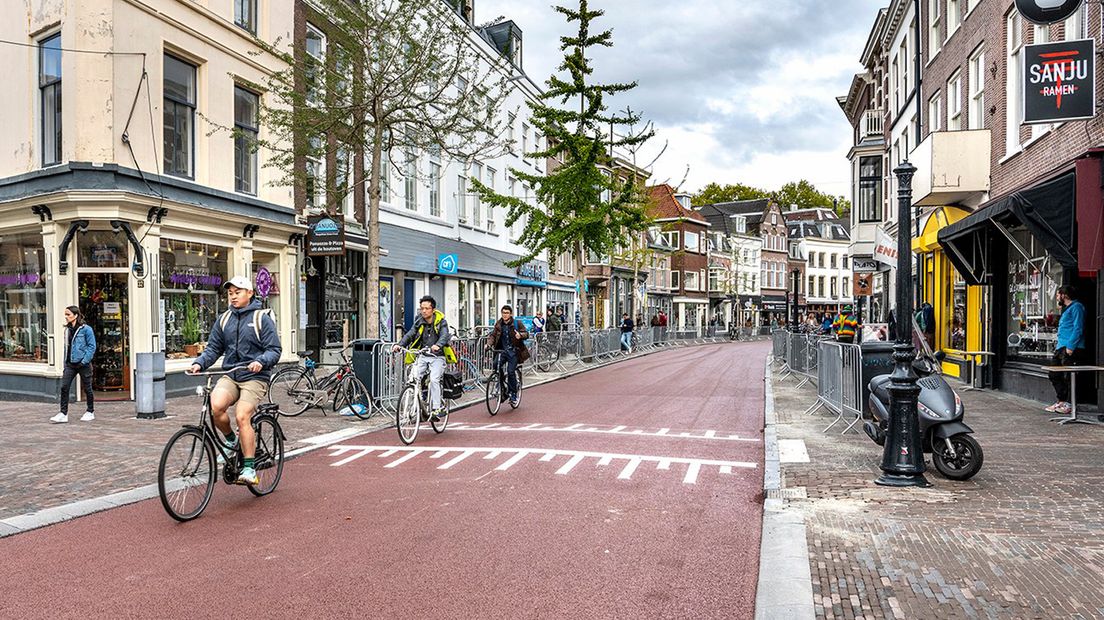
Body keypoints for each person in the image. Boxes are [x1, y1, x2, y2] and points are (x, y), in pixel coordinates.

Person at [189, 276, 282, 485]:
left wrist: (261, 361)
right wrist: (199, 363)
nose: (233, 296)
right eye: (230, 293)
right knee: (216, 406)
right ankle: (232, 441)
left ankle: (249, 468)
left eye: (237, 292)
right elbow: (213, 348)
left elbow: (274, 350)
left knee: (242, 416)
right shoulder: (223, 319)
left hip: (255, 377)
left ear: (250, 293)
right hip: (232, 374)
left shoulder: (261, 318)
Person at [392, 295, 456, 420]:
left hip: (437, 356)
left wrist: (438, 345)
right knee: (413, 378)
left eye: (427, 308)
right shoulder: (419, 320)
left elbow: (444, 335)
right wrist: (400, 345)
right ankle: (418, 403)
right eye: (422, 308)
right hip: (422, 355)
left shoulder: (441, 321)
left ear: (433, 309)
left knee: (434, 379)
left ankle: (437, 407)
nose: (424, 311)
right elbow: (410, 334)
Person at [51, 305, 97, 423]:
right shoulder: (67, 330)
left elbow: (92, 346)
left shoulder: (86, 329)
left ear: (75, 315)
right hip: (70, 364)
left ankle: (90, 411)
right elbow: (67, 348)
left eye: (68, 314)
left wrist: (84, 361)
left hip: (83, 364)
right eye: (65, 314)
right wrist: (65, 363)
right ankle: (63, 413)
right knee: (64, 387)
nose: (66, 317)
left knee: (87, 388)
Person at [1047, 285, 1086, 415]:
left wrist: (1070, 346)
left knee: (1070, 377)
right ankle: (1061, 400)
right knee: (1054, 374)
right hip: (1060, 347)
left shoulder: (1077, 307)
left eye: (1058, 294)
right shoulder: (1066, 309)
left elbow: (1078, 327)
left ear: (1064, 295)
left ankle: (1070, 403)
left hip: (1071, 347)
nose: (1057, 297)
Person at [486, 305, 529, 406]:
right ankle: (502, 387)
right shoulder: (499, 324)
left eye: (507, 313)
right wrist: (488, 344)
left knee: (510, 372)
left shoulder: (516, 323)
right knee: (496, 366)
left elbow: (526, 333)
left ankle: (513, 394)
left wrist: (520, 335)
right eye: (503, 313)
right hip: (502, 351)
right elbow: (493, 335)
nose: (505, 315)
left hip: (513, 352)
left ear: (510, 314)